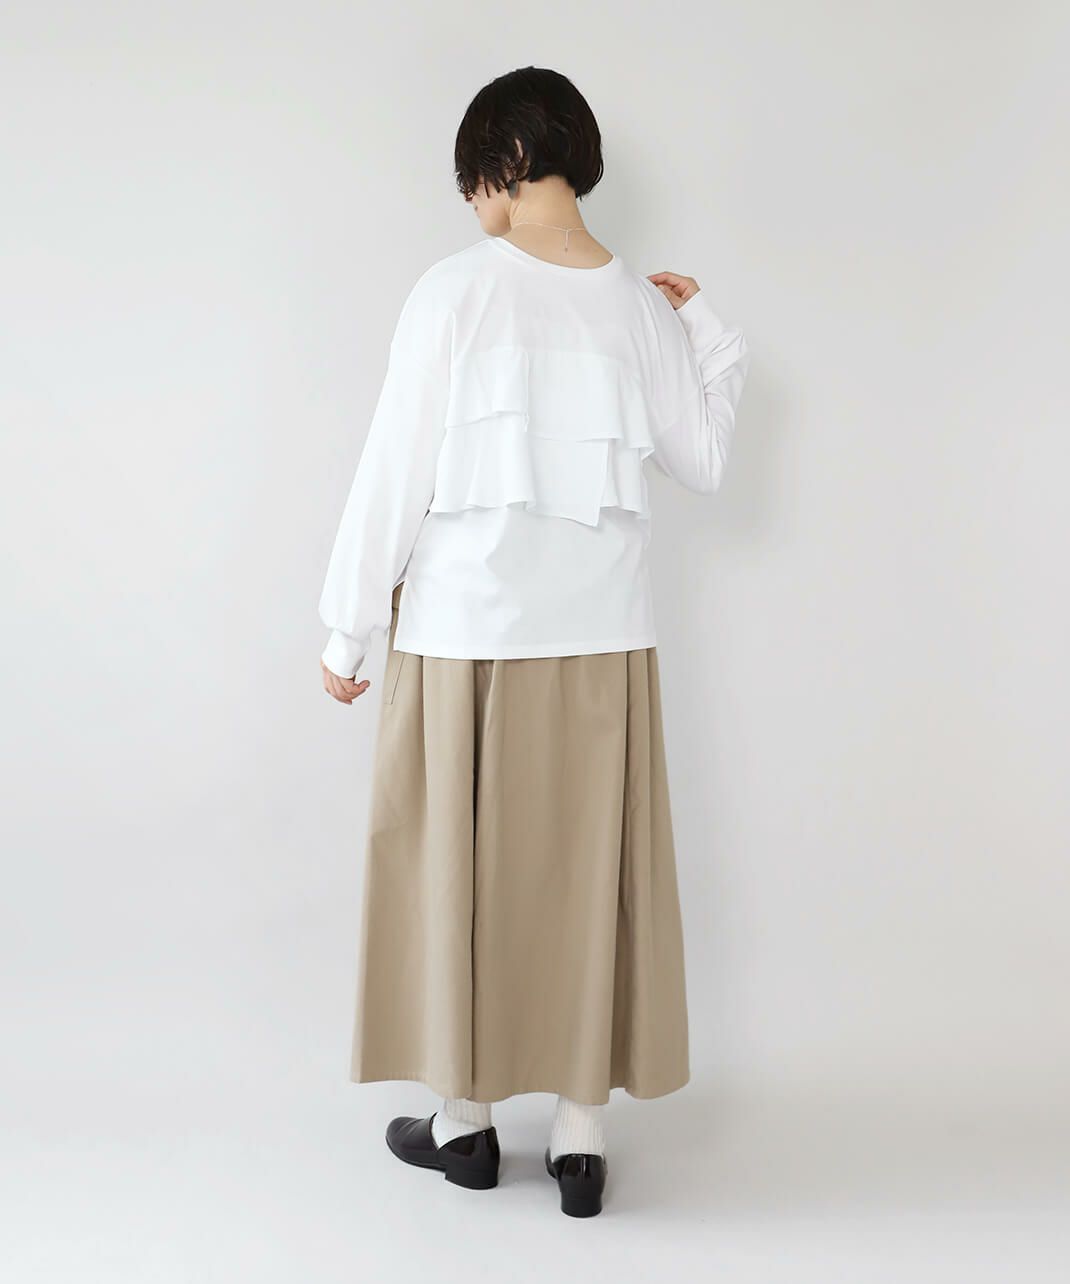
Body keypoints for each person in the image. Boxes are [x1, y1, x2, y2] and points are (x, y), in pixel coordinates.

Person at [318, 65, 749, 1218]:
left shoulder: (452, 292)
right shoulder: (640, 309)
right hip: (604, 645)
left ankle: (463, 1125)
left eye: (473, 183)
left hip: (463, 641)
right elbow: (704, 462)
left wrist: (346, 631)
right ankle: (578, 1139)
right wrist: (704, 329)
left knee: (453, 879)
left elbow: (392, 471)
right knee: (583, 883)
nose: (472, 206)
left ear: (505, 162)